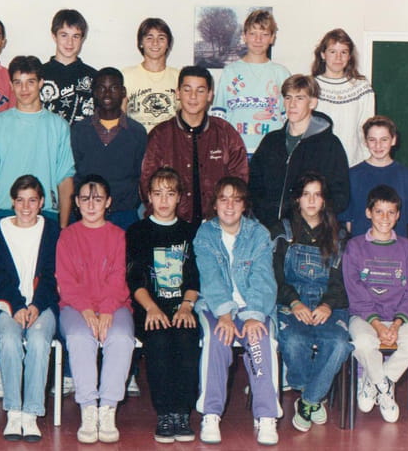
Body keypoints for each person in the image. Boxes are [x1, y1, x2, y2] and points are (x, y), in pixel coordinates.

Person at [194, 177, 281, 446]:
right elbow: (209, 278)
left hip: (254, 305)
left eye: (236, 200)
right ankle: (211, 414)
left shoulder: (258, 234)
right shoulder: (205, 234)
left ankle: (266, 416)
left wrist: (253, 315)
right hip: (214, 306)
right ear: (215, 204)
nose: (229, 206)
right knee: (217, 337)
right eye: (223, 199)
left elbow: (263, 279)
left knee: (260, 338)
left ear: (244, 205)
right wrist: (224, 314)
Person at [270, 172, 353, 433]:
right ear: (297, 199)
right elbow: (273, 277)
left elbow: (342, 280)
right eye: (306, 194)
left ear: (324, 200)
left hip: (329, 305)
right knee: (294, 341)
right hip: (291, 303)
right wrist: (294, 302)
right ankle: (314, 394)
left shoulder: (339, 235)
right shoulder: (282, 232)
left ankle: (307, 400)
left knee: (339, 343)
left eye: (317, 195)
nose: (312, 200)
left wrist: (327, 304)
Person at [56, 175, 134, 444]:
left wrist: (108, 310)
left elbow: (119, 278)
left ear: (108, 202)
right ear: (76, 202)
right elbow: (66, 281)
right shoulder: (67, 236)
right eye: (85, 199)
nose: (91, 205)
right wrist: (87, 311)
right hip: (75, 307)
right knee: (80, 337)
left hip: (115, 305)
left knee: (121, 338)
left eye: (98, 199)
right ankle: (88, 408)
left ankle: (108, 408)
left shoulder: (119, 236)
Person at [126, 167, 200, 443]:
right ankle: (165, 413)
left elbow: (195, 276)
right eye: (158, 194)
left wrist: (186, 305)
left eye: (170, 194)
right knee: (159, 341)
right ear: (149, 197)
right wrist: (151, 308)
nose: (164, 200)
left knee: (186, 339)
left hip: (183, 306)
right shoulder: (138, 231)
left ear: (179, 197)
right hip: (149, 308)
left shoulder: (190, 231)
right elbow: (134, 278)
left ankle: (182, 412)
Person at [343, 185, 408, 423]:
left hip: (400, 318)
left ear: (398, 215)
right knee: (362, 343)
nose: (385, 218)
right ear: (368, 213)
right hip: (364, 317)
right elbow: (354, 291)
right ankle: (383, 384)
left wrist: (397, 324)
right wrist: (378, 326)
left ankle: (378, 381)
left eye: (391, 212)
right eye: (379, 211)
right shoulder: (355, 247)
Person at [0, 175, 60, 442]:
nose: (26, 207)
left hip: (42, 304)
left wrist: (36, 305)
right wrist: (17, 306)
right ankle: (14, 411)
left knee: (39, 339)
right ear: (13, 202)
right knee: (9, 338)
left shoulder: (51, 230)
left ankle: (31, 412)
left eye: (32, 200)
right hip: (8, 304)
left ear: (41, 203)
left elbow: (52, 275)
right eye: (20, 200)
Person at [0, 55, 75, 227]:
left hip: (46, 213)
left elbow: (65, 179)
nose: (24, 89)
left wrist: (64, 227)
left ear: (41, 83)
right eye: (18, 83)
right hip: (4, 212)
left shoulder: (58, 125)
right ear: (11, 85)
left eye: (30, 82)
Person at [141, 65, 248, 225]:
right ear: (178, 93)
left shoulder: (225, 133)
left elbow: (239, 182)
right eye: (187, 90)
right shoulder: (160, 135)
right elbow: (147, 183)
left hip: (215, 223)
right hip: (173, 223)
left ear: (210, 95)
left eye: (200, 91)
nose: (193, 97)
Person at [249, 74, 350, 229]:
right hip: (269, 229)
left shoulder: (330, 144)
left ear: (312, 103)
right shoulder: (271, 141)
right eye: (288, 98)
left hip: (310, 231)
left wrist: (313, 222)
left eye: (300, 98)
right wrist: (266, 217)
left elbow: (339, 194)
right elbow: (253, 185)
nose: (292, 104)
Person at [71, 67, 147, 229]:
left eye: (113, 88)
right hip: (87, 212)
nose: (107, 94)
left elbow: (140, 175)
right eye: (101, 88)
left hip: (125, 214)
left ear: (123, 92)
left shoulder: (137, 132)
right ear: (94, 93)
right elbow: (74, 175)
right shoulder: (79, 130)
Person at [210, 9, 290, 157]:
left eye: (264, 34)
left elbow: (289, 118)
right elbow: (219, 116)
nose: (258, 40)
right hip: (237, 151)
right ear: (244, 36)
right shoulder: (230, 72)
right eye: (253, 34)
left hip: (271, 152)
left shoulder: (281, 73)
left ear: (272, 38)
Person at [340, 115, 408, 238]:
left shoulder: (407, 176)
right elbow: (348, 223)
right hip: (362, 247)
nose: (378, 146)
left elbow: (407, 221)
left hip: (395, 247)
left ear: (393, 140)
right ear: (365, 141)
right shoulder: (352, 176)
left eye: (384, 139)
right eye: (372, 140)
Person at [311, 28, 376, 166]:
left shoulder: (361, 87)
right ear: (323, 54)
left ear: (349, 56)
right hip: (319, 162)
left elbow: (366, 129)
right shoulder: (311, 86)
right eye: (332, 52)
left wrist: (367, 163)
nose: (338, 58)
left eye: (344, 52)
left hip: (353, 163)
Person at [122, 18, 180, 133]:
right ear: (141, 43)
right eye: (149, 38)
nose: (155, 43)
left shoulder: (179, 76)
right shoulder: (126, 75)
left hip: (169, 141)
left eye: (161, 38)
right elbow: (120, 118)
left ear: (168, 44)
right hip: (137, 141)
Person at [40, 9, 97, 125]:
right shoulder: (38, 74)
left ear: (82, 39)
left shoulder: (94, 77)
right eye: (64, 35)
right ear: (54, 36)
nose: (69, 42)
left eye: (75, 36)